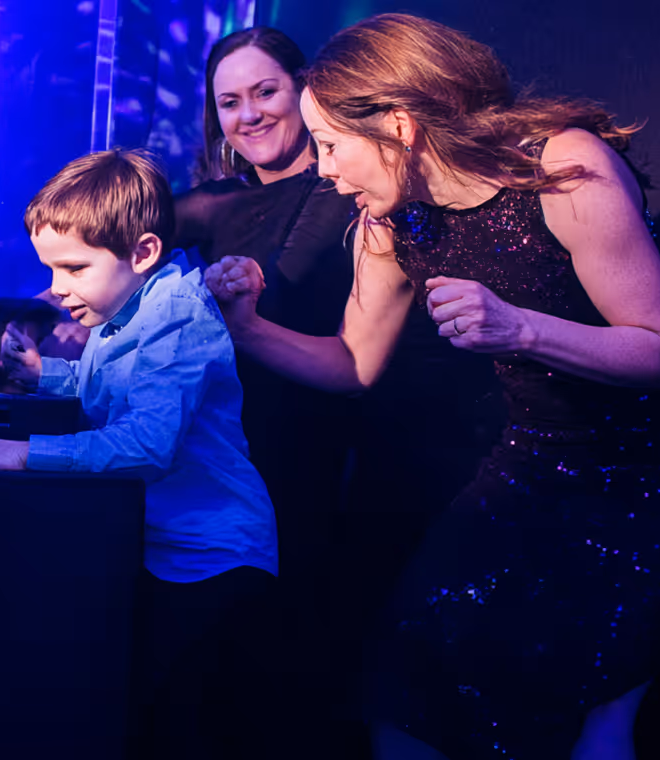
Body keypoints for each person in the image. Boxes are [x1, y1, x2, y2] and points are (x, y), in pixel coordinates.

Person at [206, 14, 660, 760]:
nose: (323, 169)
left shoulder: (564, 169)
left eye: (330, 145)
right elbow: (351, 366)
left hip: (657, 479)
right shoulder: (393, 224)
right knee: (402, 686)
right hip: (536, 465)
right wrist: (245, 327)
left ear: (397, 126)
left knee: (594, 723)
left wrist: (520, 328)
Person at [175, 27, 499, 751]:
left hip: (345, 452)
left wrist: (219, 309)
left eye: (265, 92)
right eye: (230, 101)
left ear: (308, 92)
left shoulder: (354, 196)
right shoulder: (230, 201)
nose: (250, 114)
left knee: (326, 660)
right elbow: (129, 229)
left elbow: (298, 315)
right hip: (249, 447)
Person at [0, 149, 279, 759]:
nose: (56, 289)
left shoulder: (176, 317)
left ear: (143, 252)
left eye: (74, 268)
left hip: (213, 559)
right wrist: (43, 373)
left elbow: (147, 444)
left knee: (180, 727)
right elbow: (105, 388)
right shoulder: (128, 308)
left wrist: (26, 454)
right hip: (165, 549)